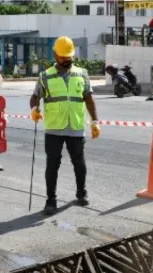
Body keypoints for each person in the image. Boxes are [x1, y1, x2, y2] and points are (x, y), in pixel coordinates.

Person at [29, 36, 100, 216]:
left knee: (79, 162)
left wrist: (95, 121)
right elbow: (35, 96)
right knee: (52, 165)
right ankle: (51, 200)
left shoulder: (82, 73)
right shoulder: (45, 76)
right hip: (54, 128)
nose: (67, 59)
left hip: (75, 126)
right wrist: (34, 109)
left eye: (69, 56)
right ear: (55, 55)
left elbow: (89, 99)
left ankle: (81, 193)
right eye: (63, 56)